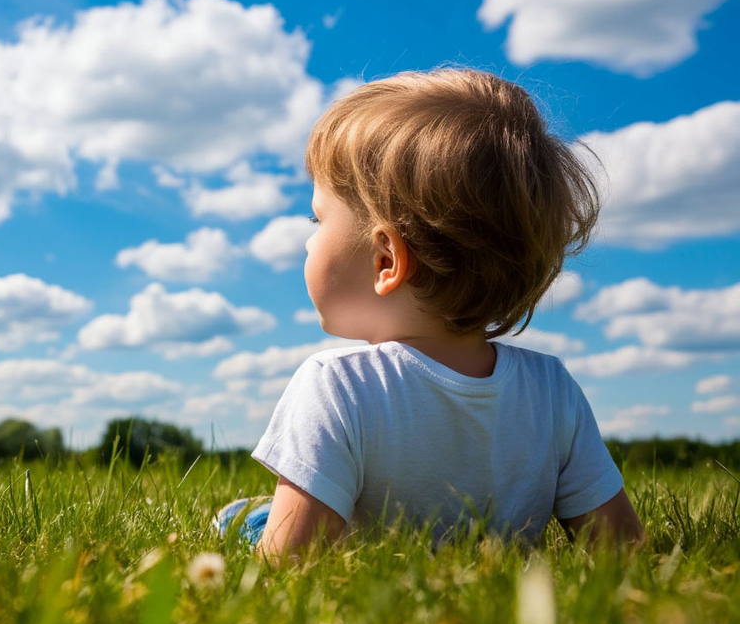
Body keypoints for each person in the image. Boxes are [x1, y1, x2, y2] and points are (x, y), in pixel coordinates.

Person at [214, 68, 644, 567]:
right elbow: (622, 554)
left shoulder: (335, 385)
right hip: (493, 595)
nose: (308, 239)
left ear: (386, 261)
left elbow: (287, 566)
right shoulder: (553, 389)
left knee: (251, 527)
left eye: (318, 218)